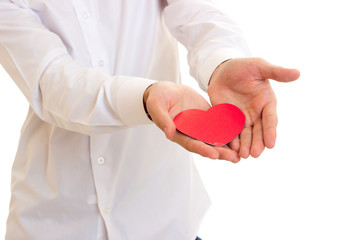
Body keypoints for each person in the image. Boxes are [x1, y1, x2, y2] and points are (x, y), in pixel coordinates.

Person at [0, 0, 300, 239]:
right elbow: (52, 83)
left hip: (165, 220)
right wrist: (146, 97)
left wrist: (222, 61)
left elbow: (199, 15)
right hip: (55, 223)